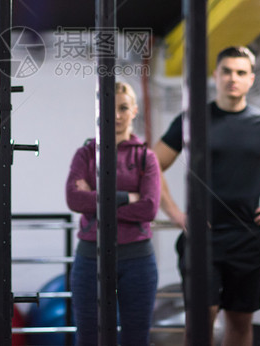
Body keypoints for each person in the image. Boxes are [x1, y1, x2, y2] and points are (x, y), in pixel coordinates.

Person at [155, 46, 260, 346]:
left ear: (251, 79)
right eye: (226, 71)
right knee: (200, 324)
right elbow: (153, 165)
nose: (232, 78)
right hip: (203, 240)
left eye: (241, 72)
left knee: (240, 324)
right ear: (215, 75)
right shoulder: (192, 120)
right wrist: (176, 214)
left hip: (247, 239)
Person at [65, 81, 161, 346]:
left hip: (137, 260)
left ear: (134, 111)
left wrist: (95, 201)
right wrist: (127, 198)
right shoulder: (85, 154)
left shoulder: (146, 157)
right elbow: (74, 199)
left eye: (123, 108)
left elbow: (149, 208)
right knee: (88, 338)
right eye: (109, 108)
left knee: (135, 339)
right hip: (90, 257)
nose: (116, 115)